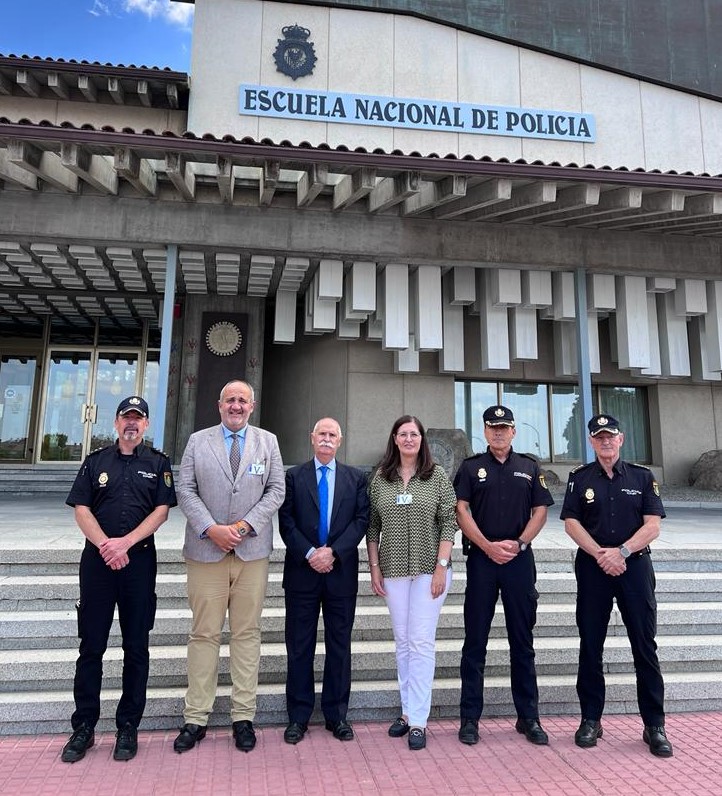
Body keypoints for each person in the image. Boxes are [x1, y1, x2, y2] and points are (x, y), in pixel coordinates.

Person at [61, 396, 177, 764]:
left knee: (136, 648)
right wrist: (107, 546)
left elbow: (161, 511)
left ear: (145, 425)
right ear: (115, 423)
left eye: (138, 419)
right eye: (126, 418)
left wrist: (126, 543)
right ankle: (84, 728)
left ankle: (128, 726)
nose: (132, 424)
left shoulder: (158, 464)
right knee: (91, 647)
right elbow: (81, 509)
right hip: (97, 564)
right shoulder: (95, 461)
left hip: (139, 564)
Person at [173, 380, 285, 754]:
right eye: (230, 400)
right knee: (203, 634)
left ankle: (243, 716)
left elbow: (276, 491)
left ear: (252, 406)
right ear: (219, 405)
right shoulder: (197, 441)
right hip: (206, 552)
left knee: (246, 634)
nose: (236, 406)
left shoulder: (267, 442)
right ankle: (196, 717)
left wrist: (242, 527)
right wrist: (211, 529)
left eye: (242, 400)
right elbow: (185, 489)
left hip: (251, 552)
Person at [560, 414, 673, 757]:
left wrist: (621, 552)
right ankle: (591, 719)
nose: (605, 441)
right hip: (594, 568)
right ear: (592, 442)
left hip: (635, 567)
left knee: (644, 646)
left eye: (611, 436)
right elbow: (570, 523)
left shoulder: (642, 477)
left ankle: (654, 725)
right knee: (590, 646)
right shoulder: (579, 479)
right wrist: (600, 554)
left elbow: (652, 525)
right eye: (599, 437)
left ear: (621, 439)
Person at [453, 404, 553, 747]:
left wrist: (521, 542)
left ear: (513, 431)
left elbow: (541, 509)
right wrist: (485, 546)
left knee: (522, 644)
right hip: (482, 562)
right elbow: (460, 510)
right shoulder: (470, 468)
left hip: (518, 562)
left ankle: (529, 718)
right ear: (484, 431)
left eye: (504, 427)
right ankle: (469, 719)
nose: (498, 432)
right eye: (493, 427)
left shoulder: (529, 466)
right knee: (475, 643)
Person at [367, 415, 457, 751]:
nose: (408, 439)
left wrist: (441, 567)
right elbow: (373, 527)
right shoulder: (380, 479)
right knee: (403, 641)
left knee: (421, 642)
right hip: (392, 571)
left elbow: (449, 521)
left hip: (428, 571)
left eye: (414, 434)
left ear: (422, 439)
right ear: (394, 438)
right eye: (402, 434)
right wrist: (374, 568)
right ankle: (406, 712)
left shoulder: (436, 477)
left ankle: (419, 720)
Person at [278, 417, 369, 744]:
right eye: (322, 434)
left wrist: (333, 552)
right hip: (302, 574)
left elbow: (361, 521)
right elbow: (286, 523)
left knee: (339, 647)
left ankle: (337, 715)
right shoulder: (293, 477)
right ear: (312, 438)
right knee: (299, 646)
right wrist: (310, 553)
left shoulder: (356, 478)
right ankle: (298, 717)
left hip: (340, 574)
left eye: (333, 435)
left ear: (340, 441)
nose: (327, 439)